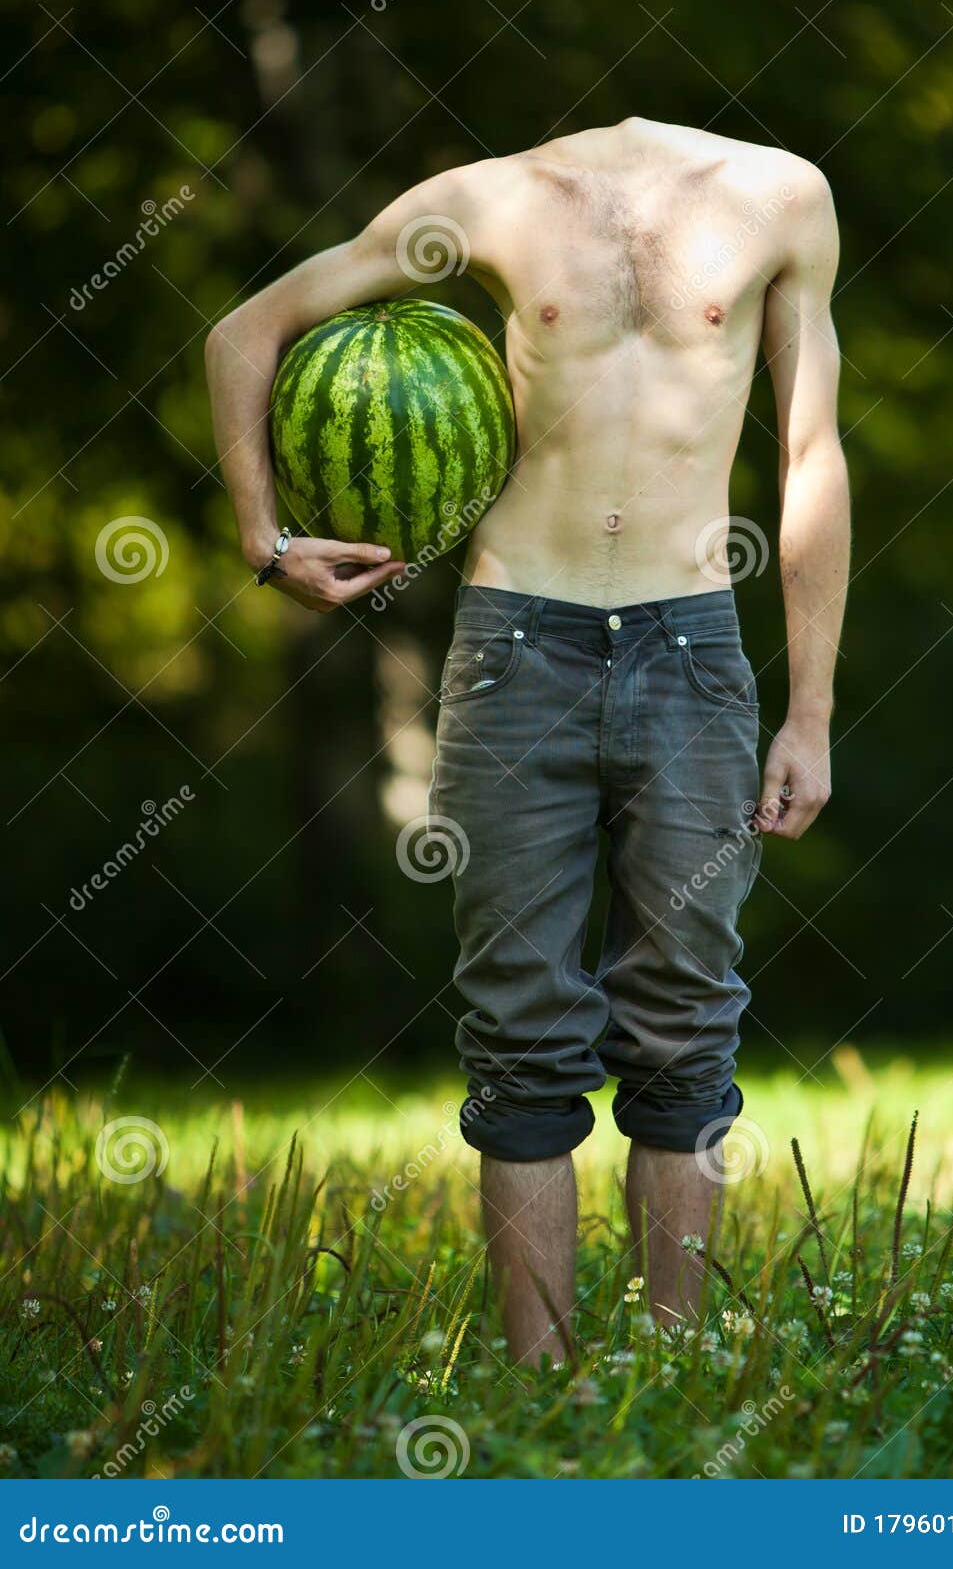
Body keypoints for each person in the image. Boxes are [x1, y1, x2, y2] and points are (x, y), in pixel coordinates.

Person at [206, 117, 849, 1365]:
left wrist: (810, 711)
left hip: (692, 647)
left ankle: (671, 1372)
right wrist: (264, 537)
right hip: (514, 650)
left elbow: (808, 452)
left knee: (687, 1020)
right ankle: (536, 1386)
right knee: (518, 1030)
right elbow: (245, 331)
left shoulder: (781, 195)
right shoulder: (492, 201)